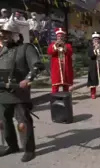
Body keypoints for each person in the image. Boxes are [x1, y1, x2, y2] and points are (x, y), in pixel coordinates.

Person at [0, 14, 44, 162]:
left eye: (6, 33)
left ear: (15, 34)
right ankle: (12, 146)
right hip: (2, 91)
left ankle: (29, 148)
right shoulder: (1, 51)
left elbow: (37, 66)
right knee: (4, 121)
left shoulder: (26, 48)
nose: (3, 36)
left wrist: (28, 79)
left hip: (19, 91)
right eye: (2, 34)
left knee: (22, 122)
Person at [47, 28, 74, 93]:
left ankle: (66, 98)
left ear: (64, 37)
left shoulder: (68, 45)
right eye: (59, 36)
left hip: (65, 67)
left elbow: (70, 53)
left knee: (66, 85)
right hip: (56, 68)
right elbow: (50, 52)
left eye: (61, 36)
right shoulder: (52, 45)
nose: (60, 38)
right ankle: (54, 98)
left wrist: (64, 46)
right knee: (55, 85)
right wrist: (55, 46)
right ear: (56, 37)